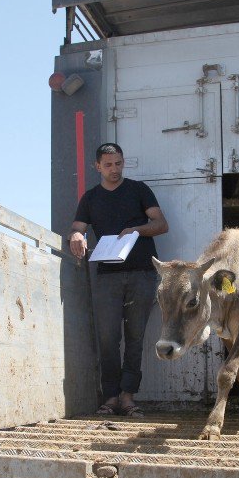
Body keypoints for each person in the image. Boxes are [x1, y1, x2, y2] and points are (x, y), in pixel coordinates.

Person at [69, 142, 169, 417]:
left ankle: (128, 397)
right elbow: (78, 228)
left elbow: (161, 224)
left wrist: (135, 230)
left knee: (135, 336)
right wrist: (76, 236)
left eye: (119, 163)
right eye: (109, 165)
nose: (115, 169)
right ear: (97, 166)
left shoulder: (138, 190)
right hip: (107, 276)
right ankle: (110, 397)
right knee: (108, 338)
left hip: (142, 274)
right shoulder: (90, 198)